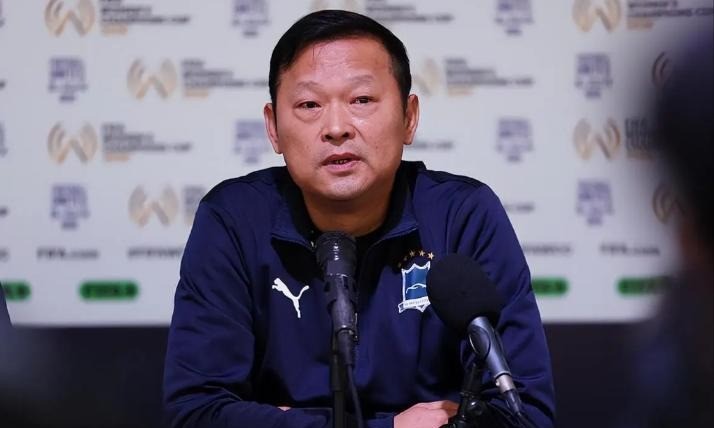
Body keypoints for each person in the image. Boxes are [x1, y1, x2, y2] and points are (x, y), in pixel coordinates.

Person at [163, 10, 555, 428]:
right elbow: (195, 414)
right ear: (273, 127)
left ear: (409, 117)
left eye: (362, 100)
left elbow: (522, 415)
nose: (336, 128)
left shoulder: (463, 216)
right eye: (309, 104)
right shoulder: (234, 220)